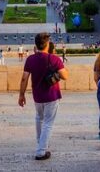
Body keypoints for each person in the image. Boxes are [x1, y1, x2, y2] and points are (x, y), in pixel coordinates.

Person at [18, 33, 69, 161]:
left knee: (39, 119)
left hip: (37, 96)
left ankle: (41, 143)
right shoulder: (54, 59)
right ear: (47, 44)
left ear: (36, 45)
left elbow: (24, 78)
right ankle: (41, 151)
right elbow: (65, 76)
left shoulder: (30, 59)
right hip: (51, 95)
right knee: (47, 123)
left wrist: (21, 95)